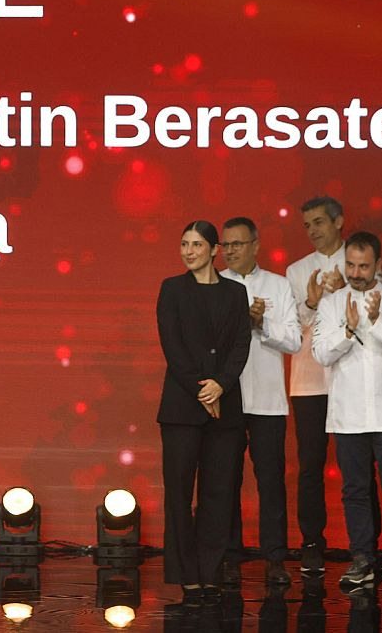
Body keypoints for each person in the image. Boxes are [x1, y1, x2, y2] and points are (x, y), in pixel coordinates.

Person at [310, 232, 382, 592]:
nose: (356, 273)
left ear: (378, 265)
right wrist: (348, 329)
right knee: (355, 489)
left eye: (363, 266)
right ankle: (362, 558)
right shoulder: (330, 304)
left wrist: (375, 321)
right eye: (351, 265)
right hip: (348, 413)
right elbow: (320, 353)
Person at [284, 195, 378, 575]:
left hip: (353, 377)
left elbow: (376, 312)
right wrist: (310, 300)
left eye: (319, 222)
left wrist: (343, 292)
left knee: (360, 465)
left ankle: (367, 545)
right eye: (307, 225)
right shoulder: (296, 270)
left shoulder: (359, 260)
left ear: (339, 222)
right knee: (310, 465)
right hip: (309, 379)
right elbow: (291, 327)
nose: (313, 231)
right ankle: (311, 542)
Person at [157, 220, 252, 596]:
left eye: (197, 244)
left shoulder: (234, 292)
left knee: (218, 491)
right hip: (182, 409)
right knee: (179, 492)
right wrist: (203, 390)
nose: (189, 251)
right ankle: (185, 572)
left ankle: (210, 567)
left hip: (225, 408)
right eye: (184, 244)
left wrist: (221, 386)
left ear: (214, 250)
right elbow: (173, 346)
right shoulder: (172, 289)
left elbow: (241, 345)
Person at [218, 216, 300, 588]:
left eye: (237, 244)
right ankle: (229, 555)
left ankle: (275, 559)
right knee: (226, 480)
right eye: (226, 245)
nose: (230, 251)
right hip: (227, 398)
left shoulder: (279, 286)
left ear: (256, 245)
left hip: (268, 400)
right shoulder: (215, 285)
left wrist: (261, 323)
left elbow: (294, 341)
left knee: (271, 483)